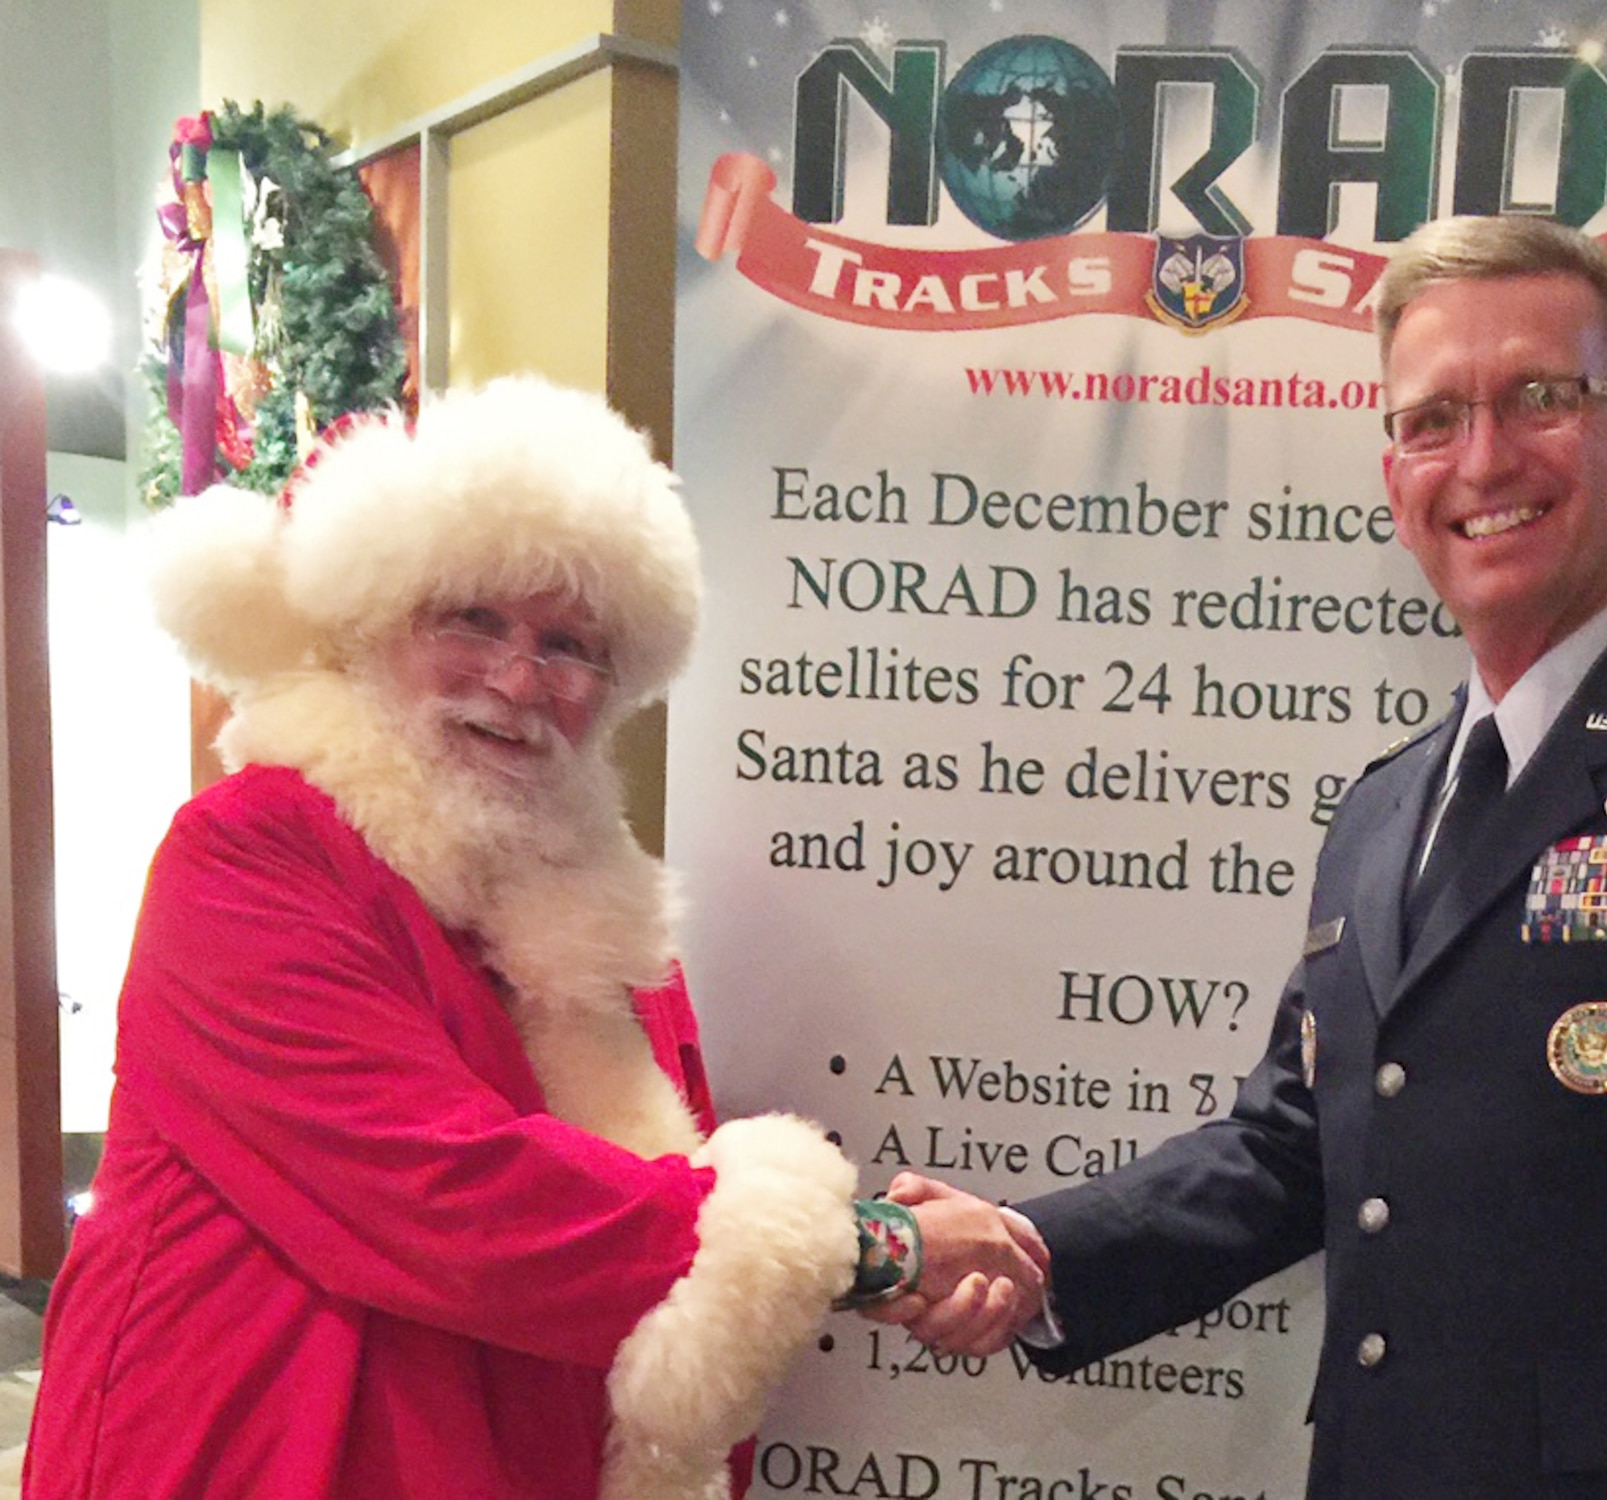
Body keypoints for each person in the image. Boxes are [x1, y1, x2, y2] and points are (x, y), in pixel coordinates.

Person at [877, 216, 1607, 1498]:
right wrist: (1031, 1252)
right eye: (1431, 419)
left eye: (1540, 398)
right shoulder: (1387, 811)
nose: (1482, 458)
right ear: (1394, 474)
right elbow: (1292, 1147)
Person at [25, 378, 960, 1500]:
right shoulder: (249, 851)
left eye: (571, 645)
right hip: (268, 1452)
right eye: (470, 619)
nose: (520, 682)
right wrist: (854, 1248)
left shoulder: (592, 901)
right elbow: (447, 1195)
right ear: (373, 620)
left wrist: (839, 1245)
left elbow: (658, 1180)